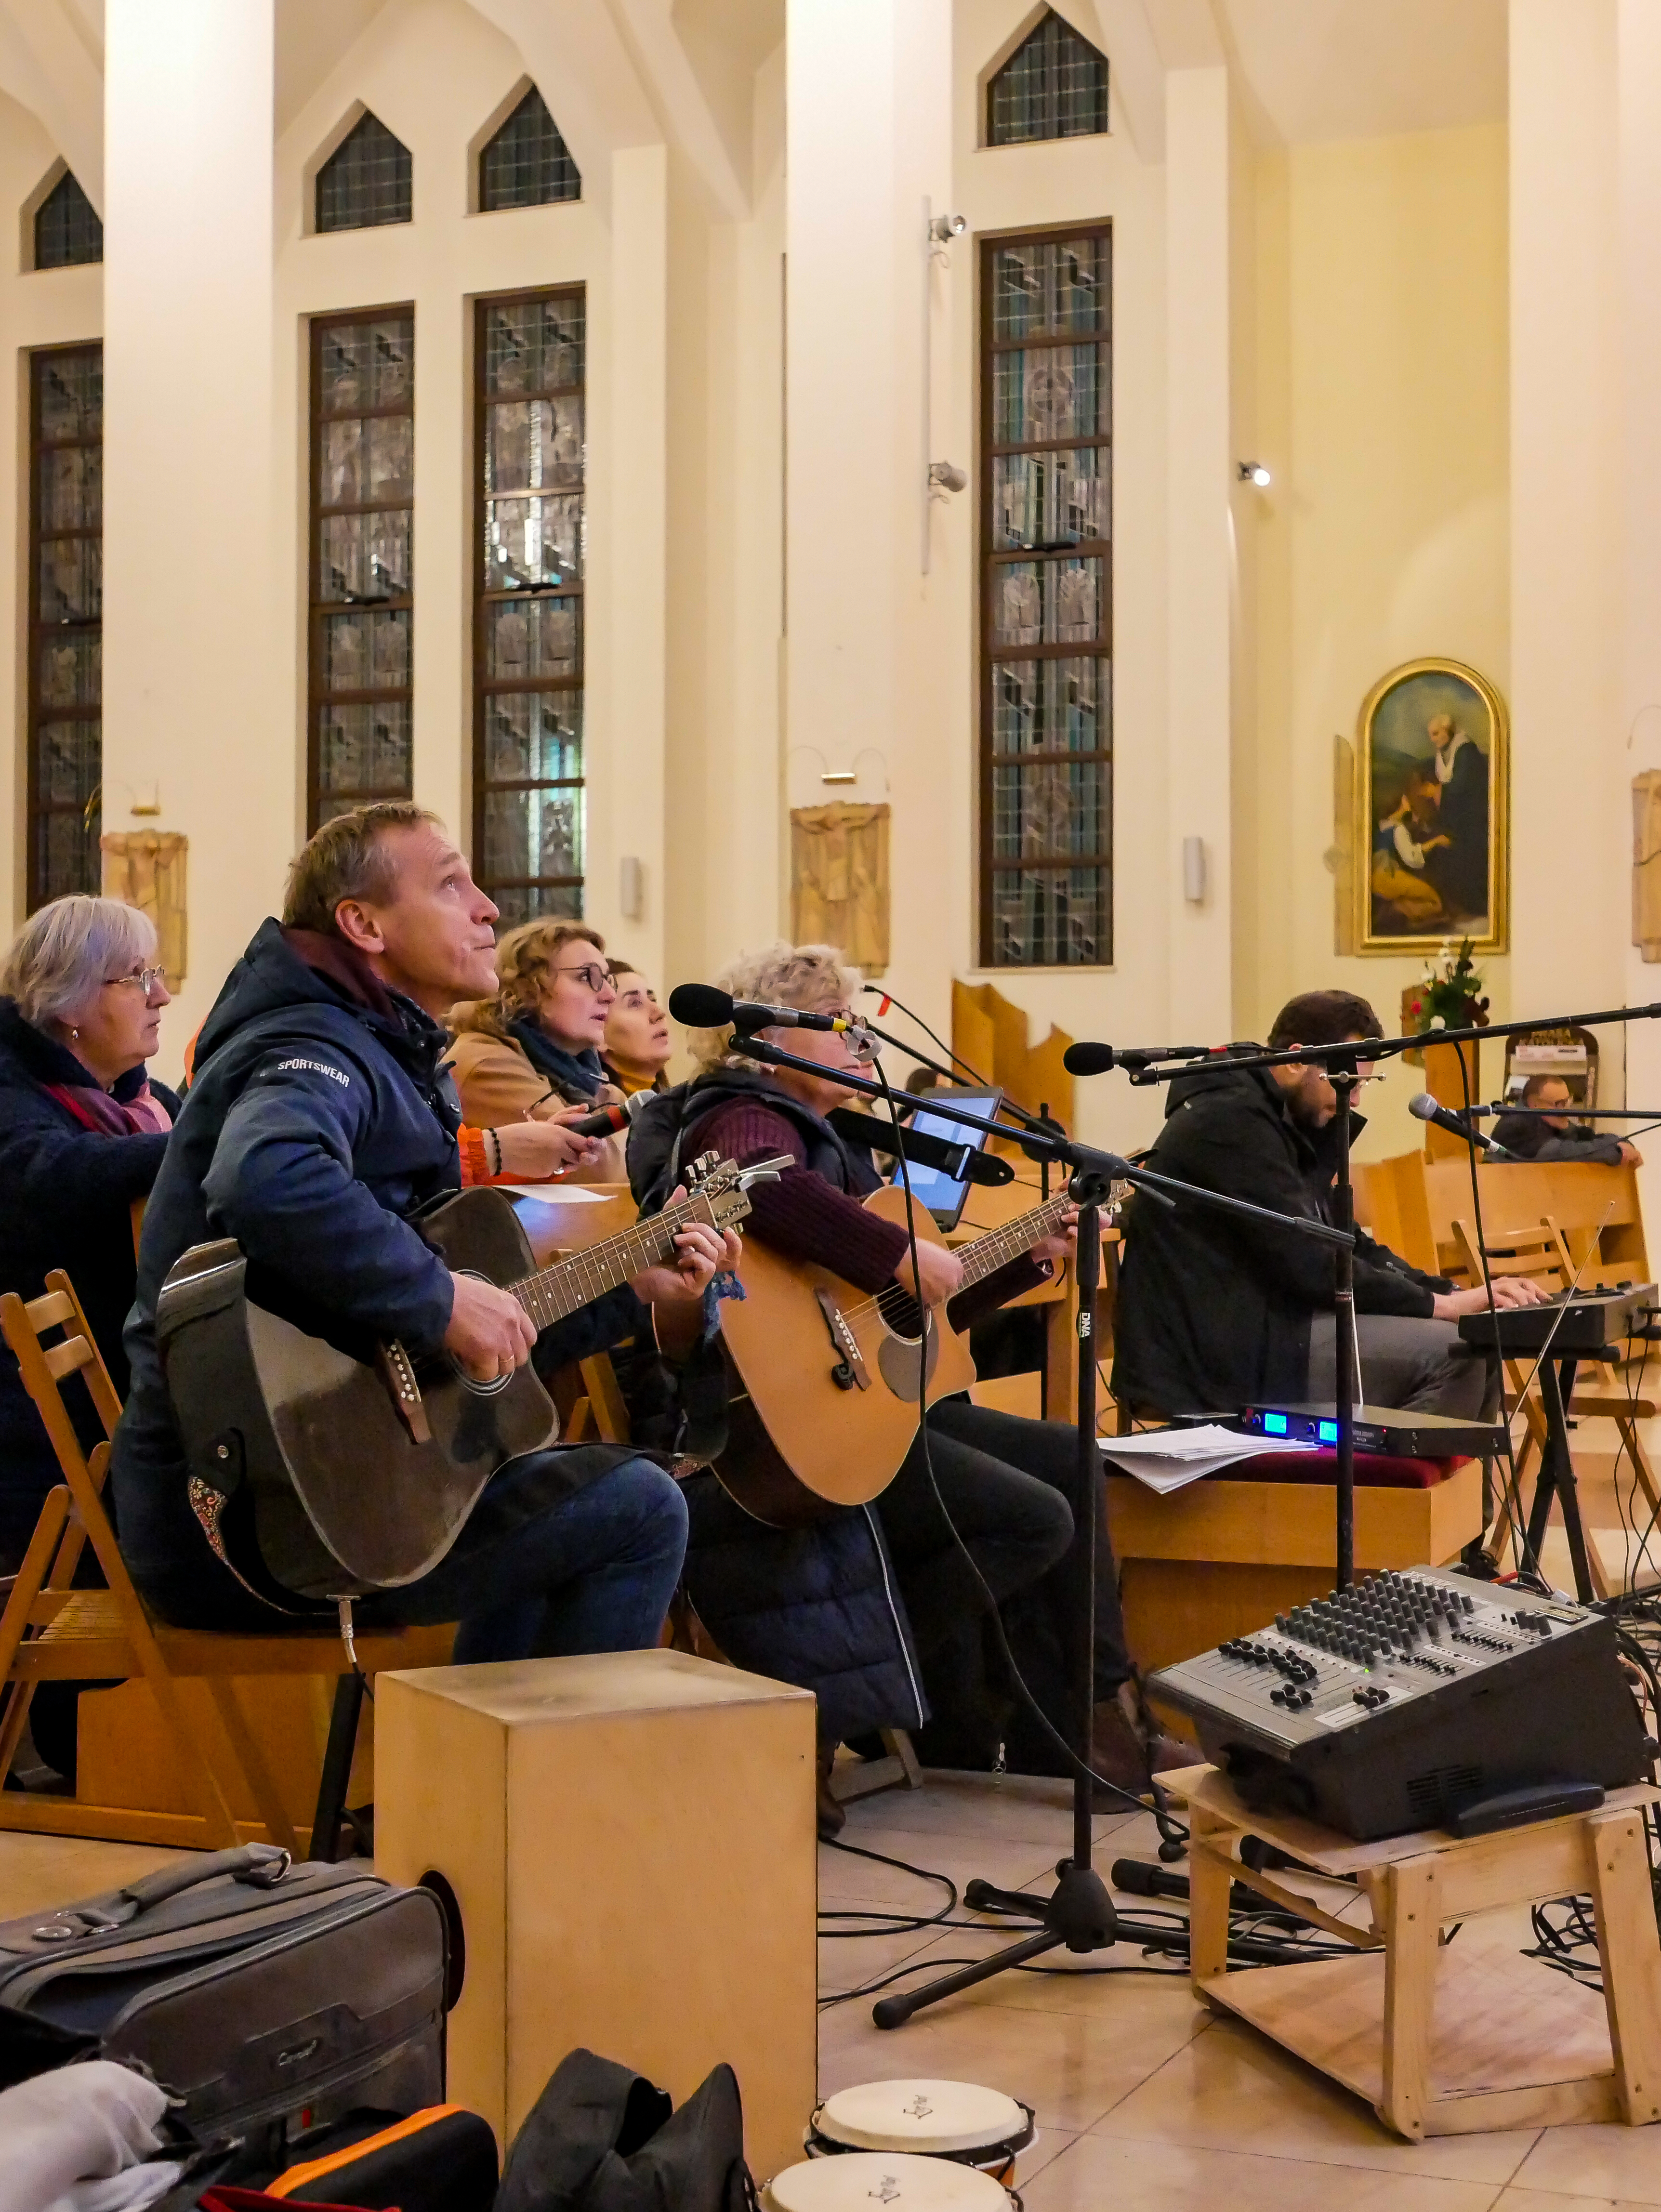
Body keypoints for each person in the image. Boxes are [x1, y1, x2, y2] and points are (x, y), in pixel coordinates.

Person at [112, 804, 738, 1663]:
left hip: (337, 1478)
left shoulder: (374, 1045)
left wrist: (630, 1291)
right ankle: (535, 1793)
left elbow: (462, 1332)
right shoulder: (306, 1042)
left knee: (589, 1485)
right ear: (363, 924)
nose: (487, 907)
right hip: (255, 1518)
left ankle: (485, 1787)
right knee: (636, 1506)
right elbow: (269, 1181)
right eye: (451, 884)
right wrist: (437, 1296)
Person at [631, 940, 1183, 1823]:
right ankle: (908, 1694)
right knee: (1029, 1515)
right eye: (839, 1027)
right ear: (772, 1035)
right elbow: (746, 1187)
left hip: (858, 1405)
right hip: (769, 1437)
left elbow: (895, 1318)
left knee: (1071, 1456)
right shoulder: (739, 1111)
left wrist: (1013, 1265)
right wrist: (894, 1248)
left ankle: (1081, 1719)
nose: (862, 1047)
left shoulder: (830, 1135)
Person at [1112, 988, 1547, 1421]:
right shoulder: (1228, 1121)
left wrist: (1446, 1292)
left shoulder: (1282, 1121)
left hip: (1275, 1328)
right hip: (1217, 1355)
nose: (1354, 1101)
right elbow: (1310, 1264)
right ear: (1298, 1059)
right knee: (1456, 1356)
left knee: (1478, 1344)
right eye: (1348, 1084)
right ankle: (1381, 1488)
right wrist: (1444, 1309)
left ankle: (1405, 1487)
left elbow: (1346, 1242)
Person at [0, 898, 177, 1571]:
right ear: (69, 1004)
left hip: (115, 1397)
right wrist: (202, 1146)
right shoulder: (13, 1092)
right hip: (39, 1445)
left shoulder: (142, 1098)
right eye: (135, 977)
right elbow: (52, 1176)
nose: (160, 994)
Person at [446, 920, 628, 1182]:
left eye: (608, 980)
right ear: (526, 987)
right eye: (587, 977)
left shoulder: (591, 1078)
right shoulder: (485, 1063)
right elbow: (595, 1171)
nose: (609, 995)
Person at [1493, 1074, 1642, 1167]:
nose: (1567, 1109)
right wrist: (1617, 1151)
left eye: (1568, 1101)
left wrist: (1622, 1144)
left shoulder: (1552, 1122)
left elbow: (1587, 1137)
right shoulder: (1516, 1124)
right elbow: (1565, 1154)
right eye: (1560, 1104)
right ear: (1535, 1104)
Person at [1426, 711, 1490, 923]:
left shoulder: (1466, 751)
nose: (1433, 739)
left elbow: (1464, 786)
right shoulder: (1444, 755)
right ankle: (1459, 904)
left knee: (1468, 860)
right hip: (1457, 818)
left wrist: (1440, 792)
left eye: (1436, 734)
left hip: (1471, 819)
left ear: (1449, 731)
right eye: (1431, 735)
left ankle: (1474, 909)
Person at [603, 961, 672, 1095]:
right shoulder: (588, 1112)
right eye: (634, 1004)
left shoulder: (678, 1107)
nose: (659, 1013)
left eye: (653, 999)